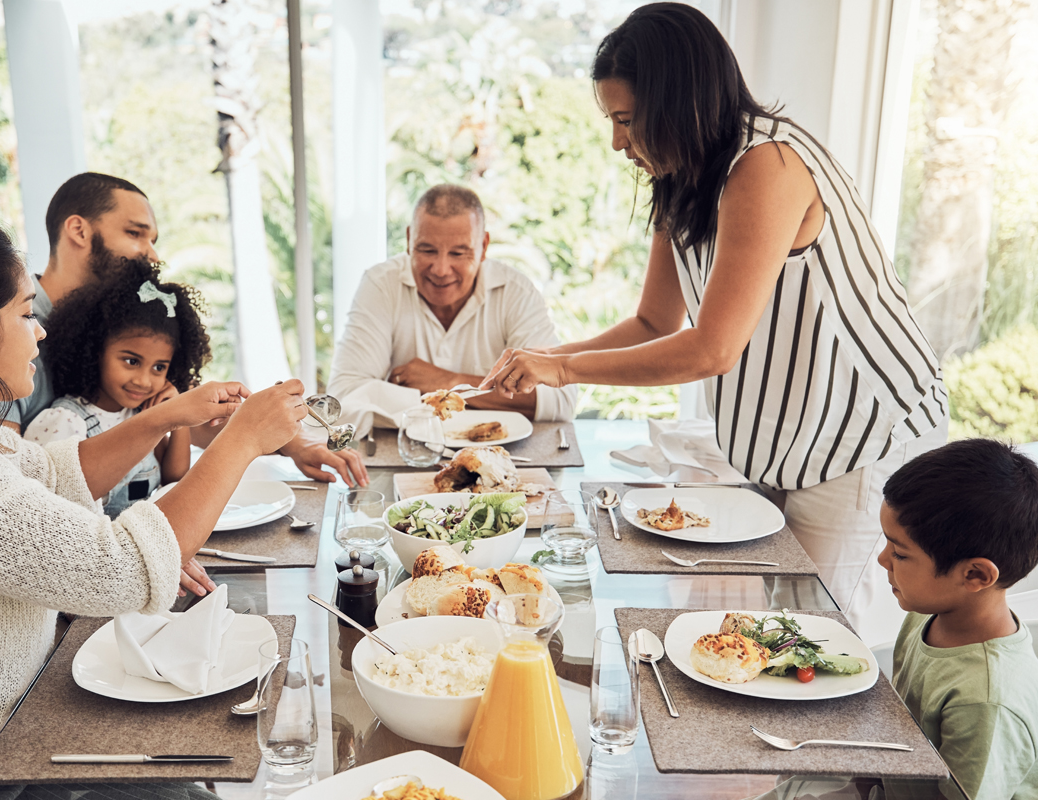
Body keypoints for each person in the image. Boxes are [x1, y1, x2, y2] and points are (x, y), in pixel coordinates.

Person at [479, 3, 947, 643]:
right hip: (780, 433)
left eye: (625, 120)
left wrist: (560, 367)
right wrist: (544, 357)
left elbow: (712, 348)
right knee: (749, 627)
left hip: (859, 433)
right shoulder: (679, 176)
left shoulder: (768, 167)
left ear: (677, 104)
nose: (617, 141)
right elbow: (652, 321)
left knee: (816, 636)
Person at [0, 215, 308, 799]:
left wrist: (167, 415)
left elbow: (54, 474)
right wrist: (242, 439)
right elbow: (129, 570)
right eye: (24, 312)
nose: (38, 334)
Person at [3, 171, 367, 487]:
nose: (153, 256)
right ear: (78, 230)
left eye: (153, 241)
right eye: (135, 234)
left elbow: (181, 415)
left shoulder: (113, 319)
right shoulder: (6, 330)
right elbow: (8, 475)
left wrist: (294, 442)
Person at [329, 184, 576, 422]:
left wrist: (448, 383)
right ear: (408, 240)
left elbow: (559, 399)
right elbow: (345, 395)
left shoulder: (516, 292)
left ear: (483, 246)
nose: (440, 269)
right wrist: (484, 394)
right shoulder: (381, 284)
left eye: (458, 253)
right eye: (427, 250)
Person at [879, 438, 1038, 799]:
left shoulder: (986, 702)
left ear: (976, 576)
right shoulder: (930, 615)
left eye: (900, 554)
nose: (882, 560)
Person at [24, 262, 209, 518]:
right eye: (132, 361)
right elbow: (45, 510)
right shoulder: (65, 421)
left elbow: (174, 478)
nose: (144, 381)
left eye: (159, 367)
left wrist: (177, 416)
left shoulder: (137, 412)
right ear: (95, 351)